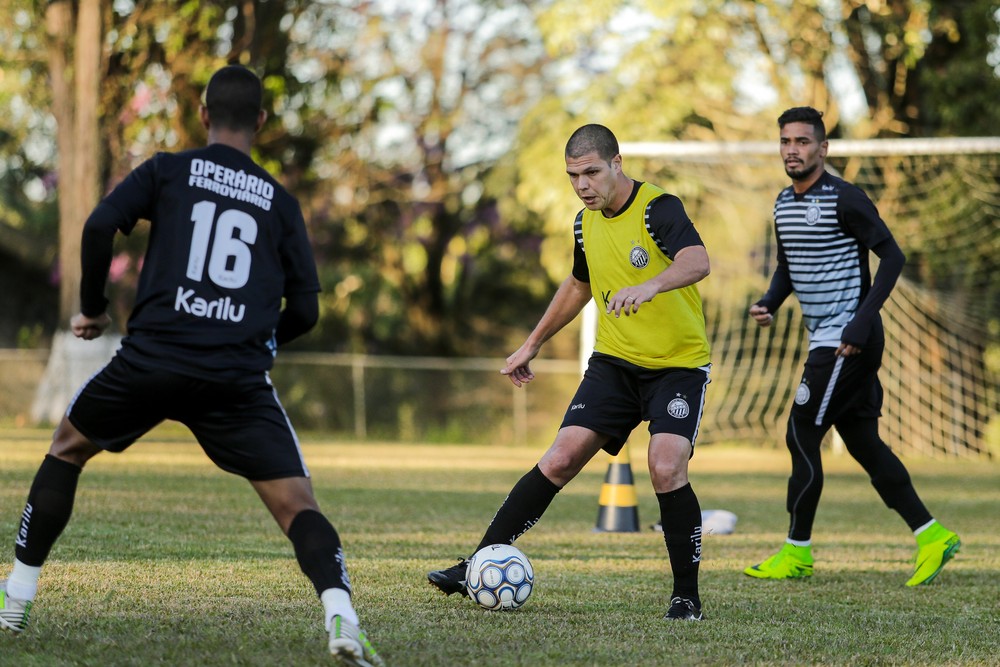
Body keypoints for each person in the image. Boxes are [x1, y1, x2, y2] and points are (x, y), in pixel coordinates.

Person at [0, 66, 384, 666]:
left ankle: (16, 597)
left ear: (204, 115)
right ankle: (341, 615)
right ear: (259, 121)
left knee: (67, 446)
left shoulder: (168, 169)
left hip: (152, 359)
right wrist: (261, 341)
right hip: (234, 379)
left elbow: (100, 224)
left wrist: (93, 310)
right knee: (298, 506)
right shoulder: (279, 202)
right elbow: (305, 308)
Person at [427, 124, 713, 621]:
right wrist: (531, 345)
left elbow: (698, 260)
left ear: (617, 163)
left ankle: (685, 596)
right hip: (614, 364)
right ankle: (475, 562)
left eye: (591, 172)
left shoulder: (657, 208)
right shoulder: (584, 223)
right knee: (559, 458)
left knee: (666, 467)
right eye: (573, 175)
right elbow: (580, 285)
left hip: (677, 367)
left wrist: (652, 285)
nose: (583, 185)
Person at [743, 106, 960, 586]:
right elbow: (788, 265)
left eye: (803, 141)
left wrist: (861, 323)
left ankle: (796, 551)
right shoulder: (782, 203)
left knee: (800, 432)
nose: (792, 150)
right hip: (824, 336)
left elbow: (892, 255)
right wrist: (770, 302)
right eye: (785, 141)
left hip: (846, 341)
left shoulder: (846, 198)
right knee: (863, 443)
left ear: (823, 148)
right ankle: (932, 535)